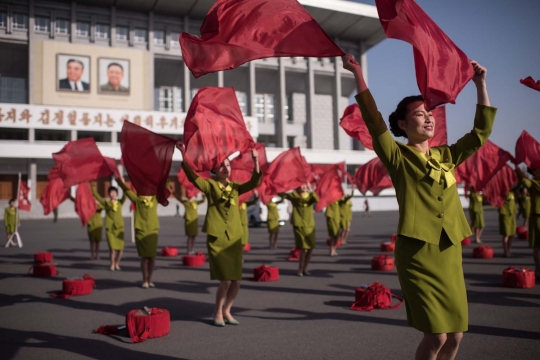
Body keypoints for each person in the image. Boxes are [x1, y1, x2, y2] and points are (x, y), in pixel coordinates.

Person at [342, 54, 495, 360]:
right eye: (419, 114)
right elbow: (373, 120)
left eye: (430, 114)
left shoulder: (447, 156)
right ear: (402, 123)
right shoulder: (397, 156)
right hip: (417, 253)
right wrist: (357, 72)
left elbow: (480, 134)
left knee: (456, 335)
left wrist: (480, 84)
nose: (428, 118)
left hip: (448, 250)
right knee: (437, 335)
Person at [179, 144, 261, 327]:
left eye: (228, 165)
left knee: (236, 280)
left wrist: (256, 161)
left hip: (234, 238)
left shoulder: (235, 187)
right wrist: (183, 155)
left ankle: (227, 310)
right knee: (225, 280)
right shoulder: (210, 185)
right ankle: (217, 311)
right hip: (217, 238)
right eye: (222, 165)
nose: (226, 167)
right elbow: (193, 177)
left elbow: (255, 182)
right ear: (214, 170)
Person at [116, 177, 159, 288]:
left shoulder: (155, 199)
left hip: (152, 231)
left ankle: (150, 279)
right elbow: (126, 190)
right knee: (144, 258)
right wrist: (119, 180)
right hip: (141, 231)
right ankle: (144, 280)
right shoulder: (137, 199)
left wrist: (165, 175)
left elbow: (165, 189)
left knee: (152, 257)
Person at [280, 183, 319, 276]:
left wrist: (311, 189)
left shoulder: (310, 195)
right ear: (298, 186)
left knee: (311, 248)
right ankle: (300, 268)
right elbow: (281, 194)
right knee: (304, 248)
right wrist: (282, 186)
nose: (304, 186)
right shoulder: (293, 195)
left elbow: (317, 199)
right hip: (298, 224)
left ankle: (305, 268)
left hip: (309, 224)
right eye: (302, 185)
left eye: (305, 185)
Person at [91, 184, 127, 271]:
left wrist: (123, 184)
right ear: (109, 194)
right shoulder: (106, 203)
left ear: (117, 194)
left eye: (114, 192)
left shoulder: (120, 202)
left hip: (119, 228)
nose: (113, 194)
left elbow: (125, 195)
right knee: (112, 249)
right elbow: (98, 197)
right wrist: (92, 186)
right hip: (110, 228)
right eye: (111, 192)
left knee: (120, 250)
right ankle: (112, 264)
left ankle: (117, 263)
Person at [516, 166, 540, 278]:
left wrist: (517, 168)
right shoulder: (533, 183)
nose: (536, 171)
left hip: (536, 216)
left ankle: (538, 269)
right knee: (537, 245)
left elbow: (524, 180)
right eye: (535, 170)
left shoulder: (534, 184)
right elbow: (524, 181)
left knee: (537, 246)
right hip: (536, 217)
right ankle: (538, 268)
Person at [171, 188, 206, 255]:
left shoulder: (195, 202)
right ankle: (188, 249)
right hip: (188, 221)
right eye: (189, 196)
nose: (190, 197)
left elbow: (203, 201)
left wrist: (203, 194)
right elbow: (178, 198)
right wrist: (173, 192)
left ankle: (192, 249)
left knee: (194, 236)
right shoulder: (186, 203)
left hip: (194, 221)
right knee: (189, 237)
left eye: (191, 196)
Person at [499, 191, 517, 257]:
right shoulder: (501, 191)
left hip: (511, 214)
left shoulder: (512, 192)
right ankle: (505, 251)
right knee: (506, 233)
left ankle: (508, 250)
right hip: (504, 214)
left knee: (512, 234)